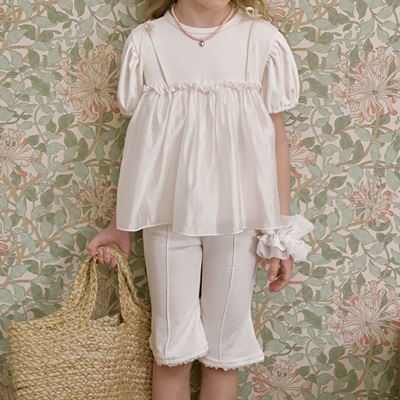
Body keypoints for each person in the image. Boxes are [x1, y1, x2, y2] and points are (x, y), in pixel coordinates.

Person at [88, 0, 314, 398]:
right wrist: (120, 224)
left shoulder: (261, 40)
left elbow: (277, 142)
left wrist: (279, 233)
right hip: (167, 218)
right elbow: (141, 147)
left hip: (239, 220)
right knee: (171, 350)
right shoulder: (148, 41)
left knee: (225, 351)